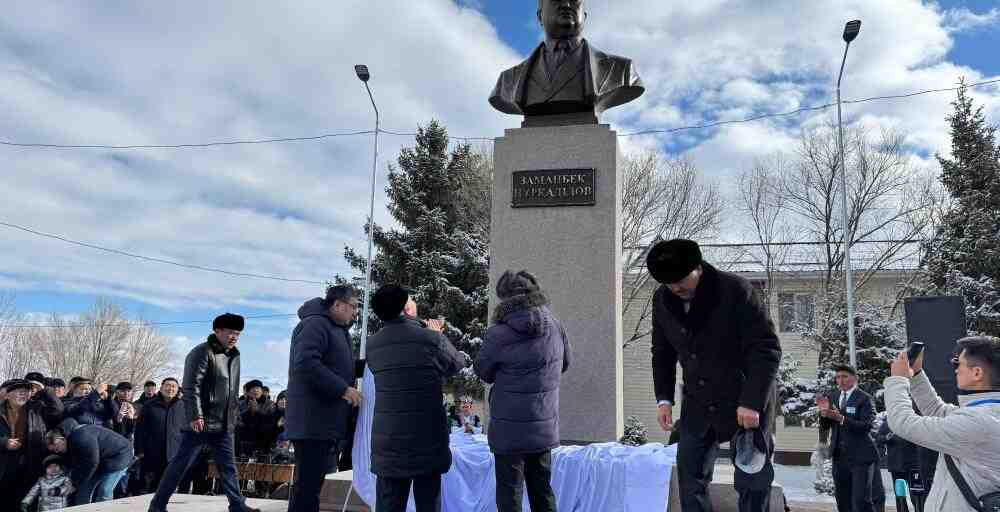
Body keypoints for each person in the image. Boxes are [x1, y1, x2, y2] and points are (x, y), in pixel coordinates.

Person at [646, 239, 781, 512]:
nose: (675, 288)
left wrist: (753, 401)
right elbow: (662, 352)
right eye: (668, 283)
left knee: (752, 480)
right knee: (690, 477)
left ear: (698, 268)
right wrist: (664, 399)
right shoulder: (662, 299)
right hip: (697, 402)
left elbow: (765, 348)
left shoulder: (735, 290)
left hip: (744, 397)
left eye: (681, 280)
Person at [475, 270, 571, 512]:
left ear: (504, 298)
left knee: (509, 492)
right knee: (542, 489)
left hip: (508, 429)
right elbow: (566, 363)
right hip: (543, 423)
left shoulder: (498, 334)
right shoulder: (555, 326)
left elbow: (483, 371)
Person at [366, 285, 465, 512]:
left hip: (388, 441)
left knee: (389, 504)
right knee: (428, 503)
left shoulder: (372, 345)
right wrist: (438, 336)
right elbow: (456, 364)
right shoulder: (430, 339)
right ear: (406, 308)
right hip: (426, 438)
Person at [147, 312, 260, 512]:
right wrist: (195, 415)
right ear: (217, 331)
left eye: (238, 333)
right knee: (180, 466)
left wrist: (234, 416)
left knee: (228, 468)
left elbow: (231, 390)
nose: (234, 337)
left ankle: (237, 505)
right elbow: (191, 387)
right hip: (201, 422)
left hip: (224, 422)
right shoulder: (201, 352)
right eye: (230, 332)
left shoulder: (234, 355)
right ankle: (157, 505)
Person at [884, 336, 1000, 511]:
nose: (955, 370)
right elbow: (938, 411)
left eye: (957, 364)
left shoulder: (978, 422)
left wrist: (898, 380)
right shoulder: (987, 414)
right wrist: (916, 375)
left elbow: (903, 422)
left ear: (977, 373)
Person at [489, 0, 644, 118]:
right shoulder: (508, 81)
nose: (566, 4)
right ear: (539, 16)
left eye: (575, 0)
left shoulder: (621, 71)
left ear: (584, 15)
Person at [285, 286, 361, 512]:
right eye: (353, 306)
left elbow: (341, 368)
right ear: (337, 304)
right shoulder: (315, 324)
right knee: (308, 488)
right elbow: (306, 363)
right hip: (313, 422)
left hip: (327, 423)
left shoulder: (337, 329)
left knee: (316, 487)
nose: (356, 312)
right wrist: (343, 389)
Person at [818, 365, 878, 512]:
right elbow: (826, 426)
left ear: (854, 378)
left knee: (861, 500)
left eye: (844, 376)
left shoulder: (864, 398)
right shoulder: (833, 396)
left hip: (861, 457)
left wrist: (842, 418)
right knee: (842, 499)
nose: (841, 380)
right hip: (839, 456)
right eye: (838, 377)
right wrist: (824, 414)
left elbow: (866, 426)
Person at [1, 379, 64, 512]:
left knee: (28, 502)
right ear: (7, 394)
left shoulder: (37, 408)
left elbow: (58, 411)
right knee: (6, 501)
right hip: (5, 466)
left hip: (31, 463)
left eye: (26, 392)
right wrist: (4, 442)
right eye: (19, 391)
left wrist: (45, 390)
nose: (23, 395)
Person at [46, 424, 133, 505]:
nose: (57, 452)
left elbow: (91, 462)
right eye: (54, 451)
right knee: (83, 491)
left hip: (120, 454)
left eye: (57, 448)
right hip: (99, 461)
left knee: (104, 490)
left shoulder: (81, 438)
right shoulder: (69, 445)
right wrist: (72, 481)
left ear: (62, 439)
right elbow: (80, 466)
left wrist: (74, 484)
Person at [134, 377, 185, 493]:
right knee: (148, 487)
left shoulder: (183, 406)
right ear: (161, 388)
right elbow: (140, 429)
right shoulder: (149, 405)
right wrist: (139, 450)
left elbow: (185, 431)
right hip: (151, 453)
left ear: (177, 390)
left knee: (169, 487)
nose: (170, 388)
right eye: (167, 385)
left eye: (173, 386)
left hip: (173, 453)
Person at [875, 419, 920, 504]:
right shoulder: (889, 422)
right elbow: (878, 438)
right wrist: (886, 438)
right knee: (900, 496)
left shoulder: (912, 420)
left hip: (913, 465)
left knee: (916, 495)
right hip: (896, 465)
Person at [237, 379, 276, 458]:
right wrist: (249, 412)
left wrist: (257, 411)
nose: (256, 390)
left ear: (262, 391)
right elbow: (237, 420)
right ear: (247, 392)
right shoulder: (241, 404)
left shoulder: (270, 404)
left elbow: (271, 422)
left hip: (262, 436)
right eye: (253, 388)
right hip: (245, 435)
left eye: (258, 388)